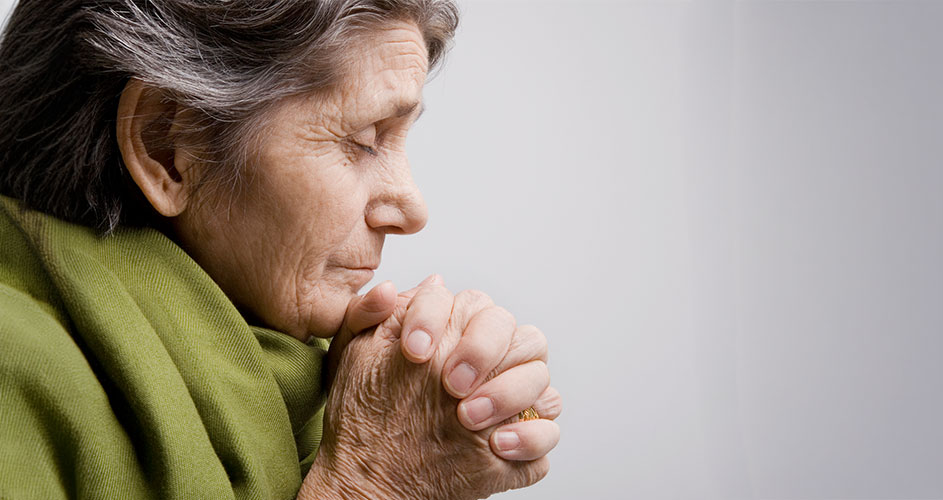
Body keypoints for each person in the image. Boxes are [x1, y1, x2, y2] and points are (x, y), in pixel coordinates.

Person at [0, 1, 561, 498]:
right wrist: (375, 483)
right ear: (167, 146)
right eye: (365, 141)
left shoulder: (306, 389)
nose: (412, 208)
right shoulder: (13, 370)